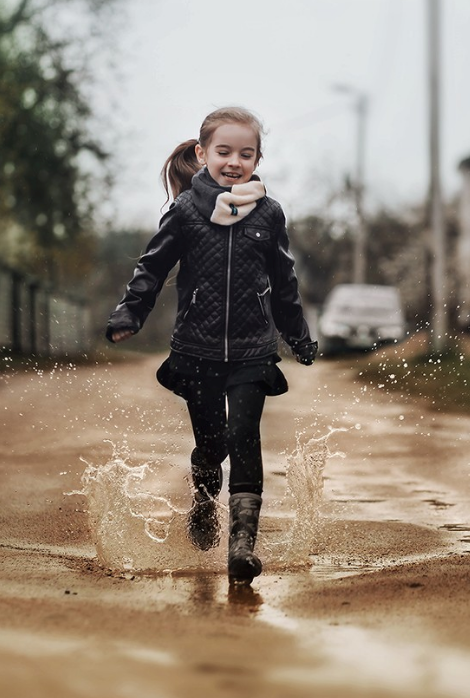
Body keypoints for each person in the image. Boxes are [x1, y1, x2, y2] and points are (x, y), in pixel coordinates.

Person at [106, 106, 317, 585]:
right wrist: (129, 314)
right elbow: (152, 267)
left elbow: (284, 282)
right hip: (197, 350)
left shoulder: (269, 214)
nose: (234, 162)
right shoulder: (186, 212)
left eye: (246, 154)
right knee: (211, 445)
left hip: (252, 350)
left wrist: (298, 336)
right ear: (203, 155)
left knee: (244, 437)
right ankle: (204, 501)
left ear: (257, 159)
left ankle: (242, 546)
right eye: (224, 152)